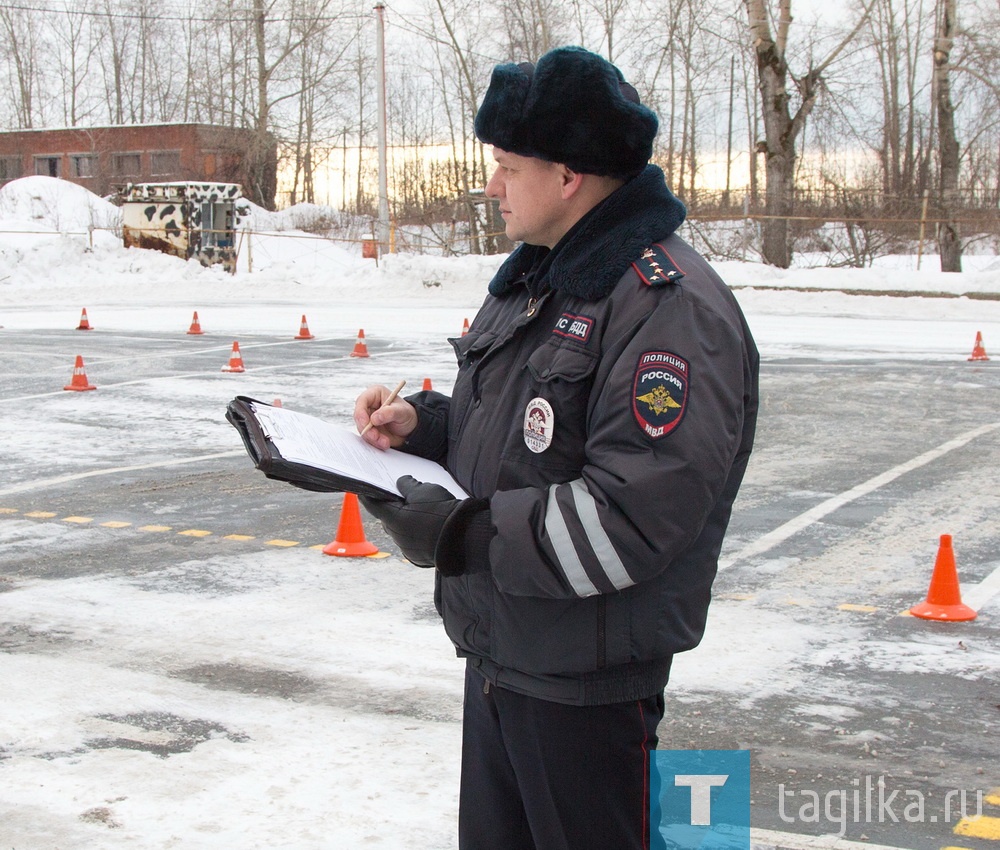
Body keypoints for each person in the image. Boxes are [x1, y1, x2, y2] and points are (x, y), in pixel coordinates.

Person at [354, 45, 759, 850]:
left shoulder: (664, 308)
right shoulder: (543, 281)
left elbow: (632, 516)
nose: (493, 184)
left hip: (586, 696)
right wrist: (426, 424)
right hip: (505, 661)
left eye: (507, 165)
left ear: (568, 176)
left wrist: (459, 534)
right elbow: (526, 429)